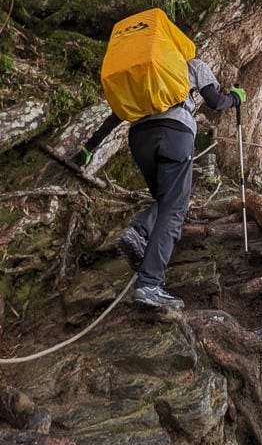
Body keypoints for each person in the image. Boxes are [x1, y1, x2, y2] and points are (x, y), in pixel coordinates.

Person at [77, 58, 244, 310]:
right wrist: (236, 98)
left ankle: (139, 232)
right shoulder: (192, 64)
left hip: (140, 138)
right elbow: (215, 101)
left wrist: (90, 147)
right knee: (174, 209)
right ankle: (149, 284)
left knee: (166, 201)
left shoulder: (142, 71)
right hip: (175, 133)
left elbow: (117, 114)